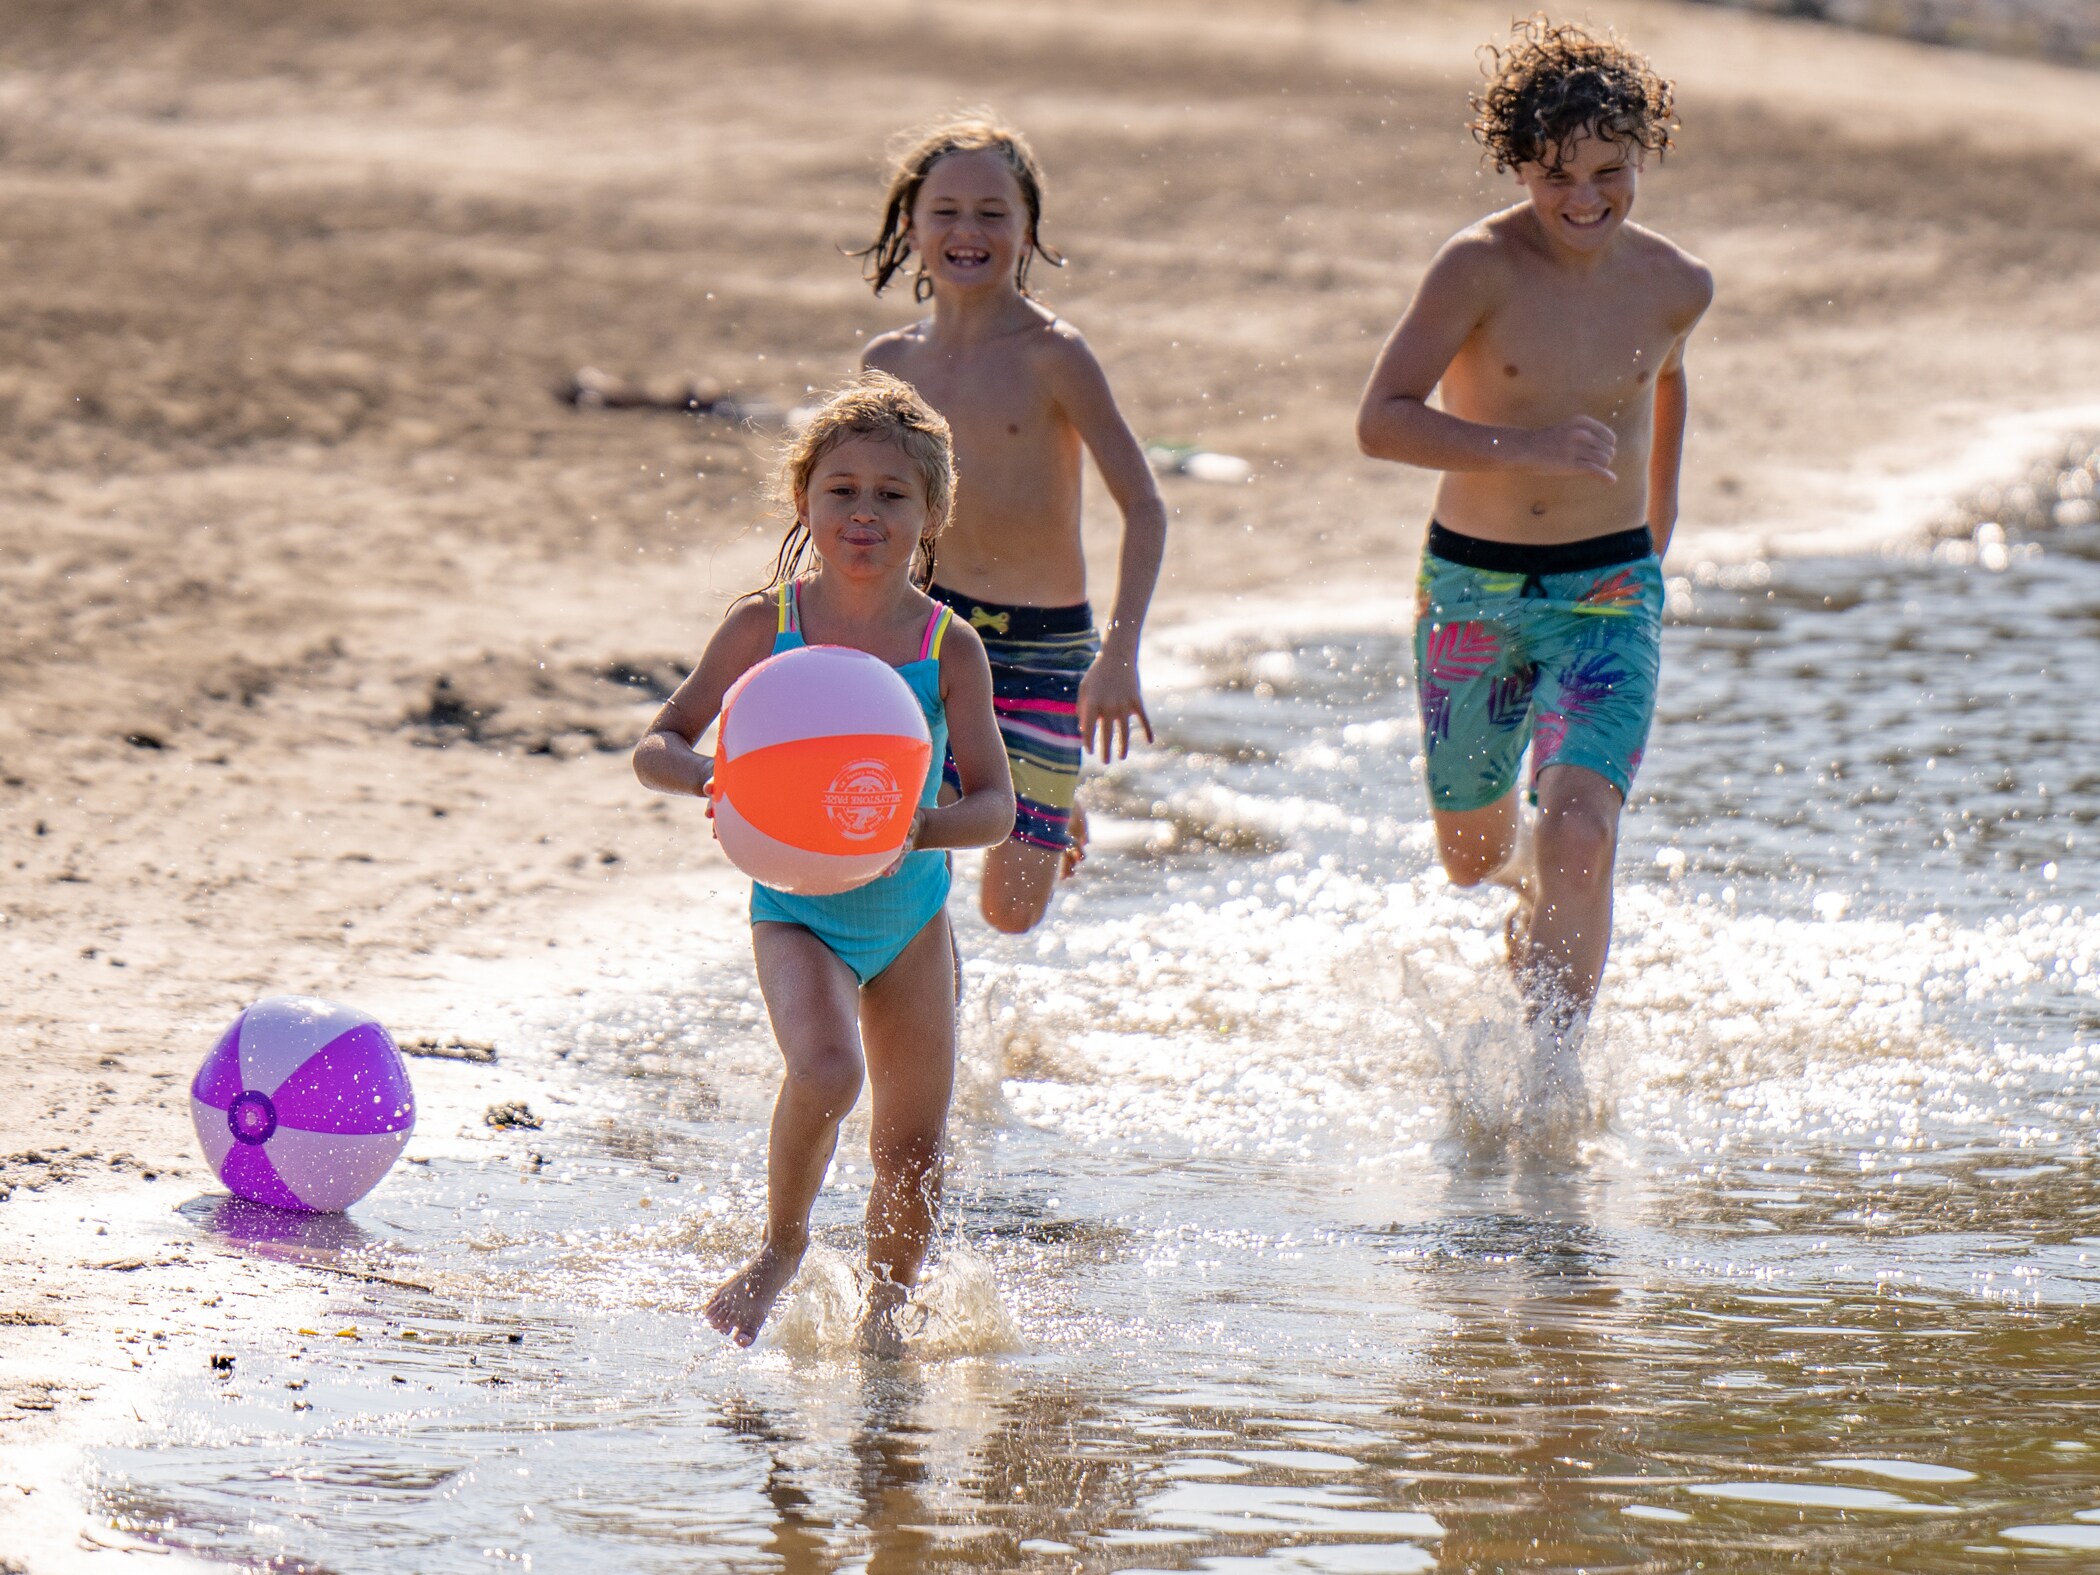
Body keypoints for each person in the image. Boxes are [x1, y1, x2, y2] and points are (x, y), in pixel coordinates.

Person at [1355, 18, 1713, 1108]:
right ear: (1522, 164)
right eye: (1560, 176)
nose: (1587, 199)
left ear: (1641, 160)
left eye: (1612, 173)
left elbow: (1667, 382)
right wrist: (1523, 447)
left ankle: (1550, 1074)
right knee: (1472, 855)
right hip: (1473, 587)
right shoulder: (1475, 266)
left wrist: (1661, 527)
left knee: (1581, 824)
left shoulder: (1677, 283)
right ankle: (1525, 892)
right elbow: (1381, 420)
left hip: (1610, 591)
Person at [632, 373, 1015, 1350]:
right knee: (829, 1068)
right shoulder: (768, 625)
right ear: (804, 500)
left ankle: (887, 1322)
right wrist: (715, 777)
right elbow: (657, 743)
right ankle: (782, 1246)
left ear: (931, 515)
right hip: (796, 909)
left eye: (893, 495)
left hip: (910, 916)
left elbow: (996, 807)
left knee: (912, 1146)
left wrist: (917, 829)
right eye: (842, 490)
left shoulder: (947, 645)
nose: (864, 513)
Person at [856, 114, 1168, 934]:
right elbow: (858, 504)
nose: (969, 231)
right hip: (926, 632)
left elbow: (1144, 504)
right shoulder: (889, 366)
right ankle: (927, 1021)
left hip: (1047, 648)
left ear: (1027, 228)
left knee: (1012, 912)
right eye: (946, 211)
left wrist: (1119, 654)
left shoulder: (1055, 356)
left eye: (993, 213)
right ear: (911, 226)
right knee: (900, 854)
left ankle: (1051, 796)